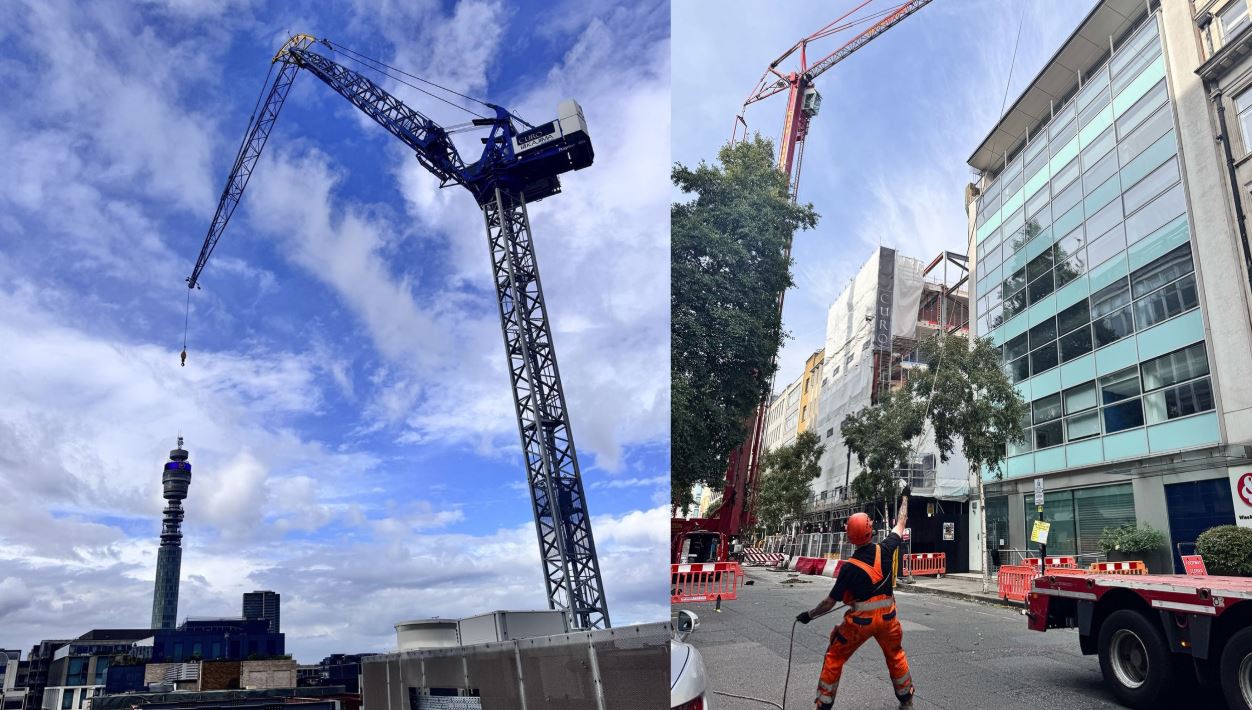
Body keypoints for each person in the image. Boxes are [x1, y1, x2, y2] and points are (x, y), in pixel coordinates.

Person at [797, 485, 914, 710]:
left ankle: (823, 704)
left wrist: (808, 616)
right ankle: (907, 701)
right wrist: (905, 497)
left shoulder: (849, 568)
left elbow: (829, 603)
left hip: (860, 623)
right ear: (871, 530)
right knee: (896, 656)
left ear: (850, 537)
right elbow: (901, 522)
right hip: (889, 619)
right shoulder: (886, 548)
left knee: (834, 657)